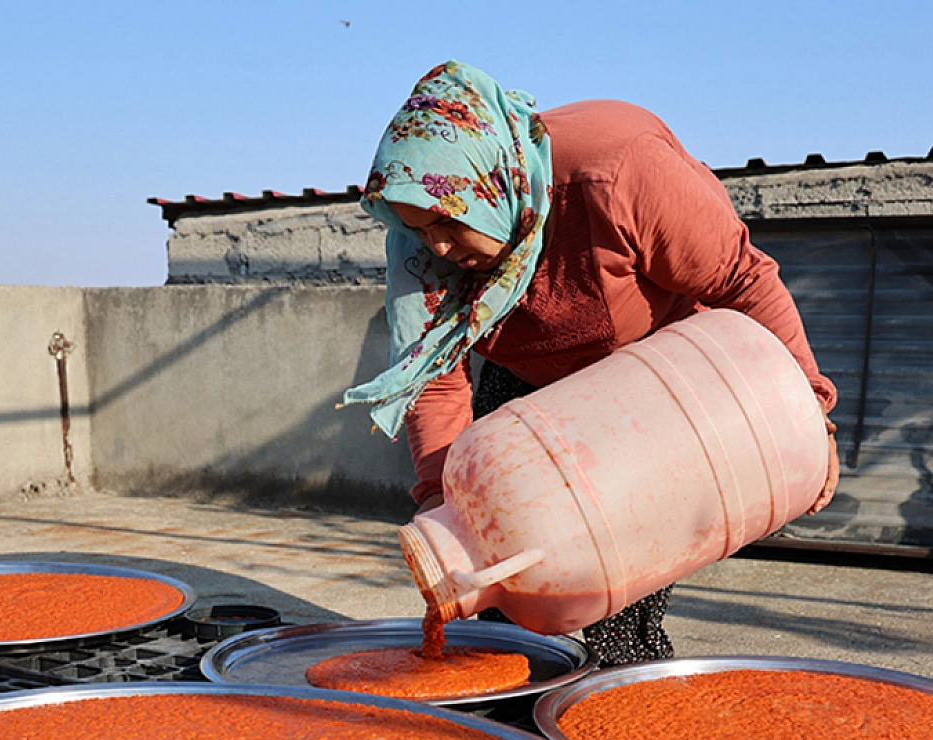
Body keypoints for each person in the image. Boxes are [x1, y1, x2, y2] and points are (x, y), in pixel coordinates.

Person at [342, 61, 841, 666]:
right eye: (420, 230)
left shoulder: (617, 173)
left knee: (614, 598)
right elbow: (434, 378)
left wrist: (811, 412)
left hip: (652, 379)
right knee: (505, 593)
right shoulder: (421, 250)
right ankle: (516, 716)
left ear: (490, 183)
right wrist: (446, 501)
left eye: (449, 222)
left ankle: (616, 704)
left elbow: (744, 279)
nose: (438, 248)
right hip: (526, 378)